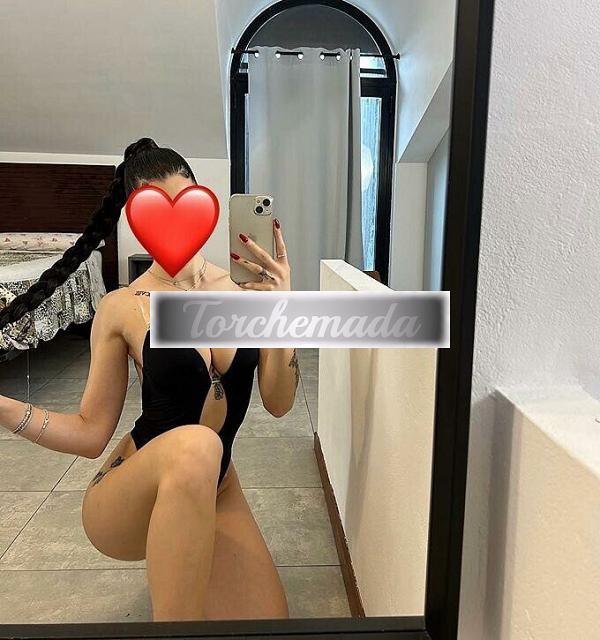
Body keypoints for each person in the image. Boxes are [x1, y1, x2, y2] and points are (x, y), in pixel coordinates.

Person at [0, 138, 299, 621]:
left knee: (271, 626)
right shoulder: (122, 306)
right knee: (197, 444)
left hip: (216, 484)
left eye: (186, 205)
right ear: (135, 219)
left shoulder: (246, 293)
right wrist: (3, 406)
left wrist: (282, 310)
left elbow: (279, 403)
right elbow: (89, 433)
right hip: (129, 492)